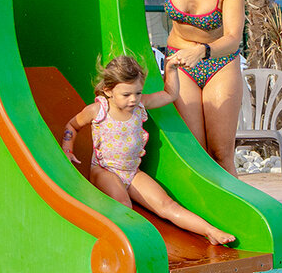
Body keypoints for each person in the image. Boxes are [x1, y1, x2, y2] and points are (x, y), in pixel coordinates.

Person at [62, 54, 235, 246]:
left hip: (132, 173)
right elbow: (72, 126)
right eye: (126, 94)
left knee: (167, 205)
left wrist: (170, 69)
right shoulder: (98, 110)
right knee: (124, 205)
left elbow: (171, 95)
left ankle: (209, 231)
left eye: (137, 92)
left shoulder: (140, 105)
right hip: (104, 170)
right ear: (108, 91)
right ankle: (131, 244)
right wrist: (68, 148)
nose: (133, 99)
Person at [135, 0, 245, 175]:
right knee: (196, 152)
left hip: (218, 62)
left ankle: (232, 214)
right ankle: (201, 213)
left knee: (220, 154)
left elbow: (232, 38)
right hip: (180, 63)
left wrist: (202, 51)